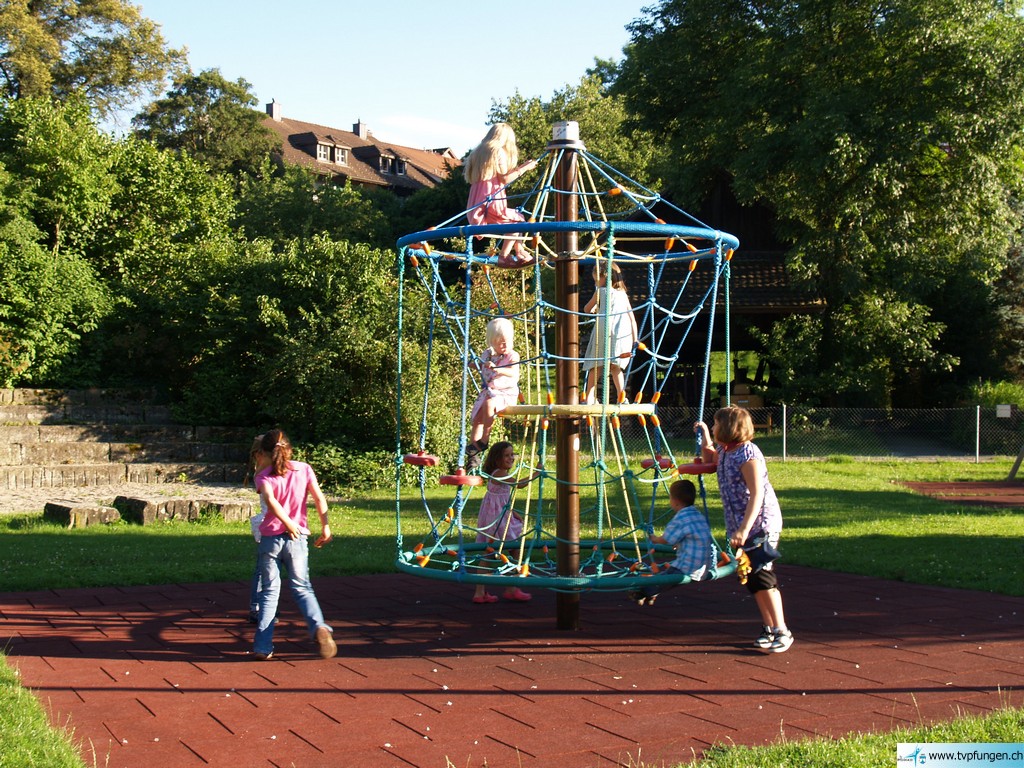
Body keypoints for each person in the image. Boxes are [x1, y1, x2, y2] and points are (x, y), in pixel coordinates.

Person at [695, 406, 793, 653]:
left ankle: (782, 630)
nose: (714, 427)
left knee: (763, 575)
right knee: (752, 578)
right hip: (740, 525)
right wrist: (705, 436)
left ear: (729, 427)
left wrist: (744, 529)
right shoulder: (725, 450)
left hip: (760, 524)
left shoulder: (748, 454)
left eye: (716, 424)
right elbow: (709, 459)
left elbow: (757, 494)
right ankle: (769, 628)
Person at [252, 429, 337, 661]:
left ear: (264, 452)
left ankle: (262, 646)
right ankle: (318, 626)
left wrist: (286, 522)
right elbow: (319, 498)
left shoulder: (263, 476)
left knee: (269, 592)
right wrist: (325, 527)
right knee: (302, 587)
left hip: (271, 540)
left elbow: (270, 501)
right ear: (290, 450)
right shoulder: (304, 469)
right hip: (297, 539)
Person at [472, 441, 540, 604]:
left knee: (501, 551)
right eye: (506, 455)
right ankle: (504, 589)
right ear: (497, 459)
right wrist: (537, 472)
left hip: (498, 516)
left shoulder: (499, 473)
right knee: (503, 551)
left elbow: (502, 500)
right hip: (497, 520)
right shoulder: (499, 473)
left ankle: (497, 590)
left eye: (512, 454)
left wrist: (513, 512)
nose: (511, 458)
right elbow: (519, 485)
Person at [629, 479, 715, 606]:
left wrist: (654, 538)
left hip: (688, 566)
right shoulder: (698, 515)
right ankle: (650, 593)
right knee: (667, 577)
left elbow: (666, 539)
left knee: (666, 577)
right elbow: (693, 536)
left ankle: (643, 592)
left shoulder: (681, 518)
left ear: (675, 501)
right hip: (704, 566)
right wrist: (679, 544)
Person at [464, 123, 538, 266]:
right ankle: (505, 256)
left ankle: (520, 252)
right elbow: (505, 178)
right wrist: (525, 168)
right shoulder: (498, 151)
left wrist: (521, 167)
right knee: (517, 221)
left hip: (477, 200)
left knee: (517, 219)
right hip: (491, 199)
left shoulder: (478, 152)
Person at [466, 316, 520, 471]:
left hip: (505, 394)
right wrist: (472, 364)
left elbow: (514, 372)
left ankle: (485, 439)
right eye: (500, 342)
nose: (505, 345)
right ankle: (473, 453)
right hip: (489, 392)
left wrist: (497, 369)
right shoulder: (488, 354)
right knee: (477, 418)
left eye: (507, 341)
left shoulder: (513, 356)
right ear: (492, 342)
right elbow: (481, 365)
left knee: (489, 404)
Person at [582, 261, 638, 404]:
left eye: (596, 280)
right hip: (621, 332)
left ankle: (589, 397)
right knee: (616, 366)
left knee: (596, 365)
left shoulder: (601, 291)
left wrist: (594, 308)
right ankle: (621, 397)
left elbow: (586, 309)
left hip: (605, 328)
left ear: (604, 277)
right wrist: (635, 340)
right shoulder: (623, 294)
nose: (596, 283)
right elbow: (632, 319)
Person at [246, 434, 268, 624]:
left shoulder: (264, 472)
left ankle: (265, 606)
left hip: (273, 524)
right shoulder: (262, 474)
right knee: (262, 569)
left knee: (267, 569)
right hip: (268, 525)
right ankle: (256, 606)